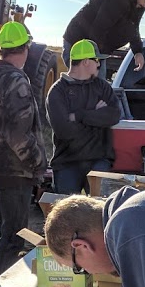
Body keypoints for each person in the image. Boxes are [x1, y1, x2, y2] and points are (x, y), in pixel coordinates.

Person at [0, 20, 49, 281]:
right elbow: (19, 134)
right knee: (15, 233)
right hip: (17, 169)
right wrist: (38, 163)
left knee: (2, 228)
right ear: (25, 48)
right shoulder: (16, 80)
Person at [45, 39, 122, 195]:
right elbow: (64, 131)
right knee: (64, 216)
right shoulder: (57, 92)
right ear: (86, 62)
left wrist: (79, 115)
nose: (99, 65)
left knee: (99, 214)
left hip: (99, 162)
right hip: (67, 164)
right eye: (97, 60)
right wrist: (97, 116)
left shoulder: (102, 87)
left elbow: (114, 115)